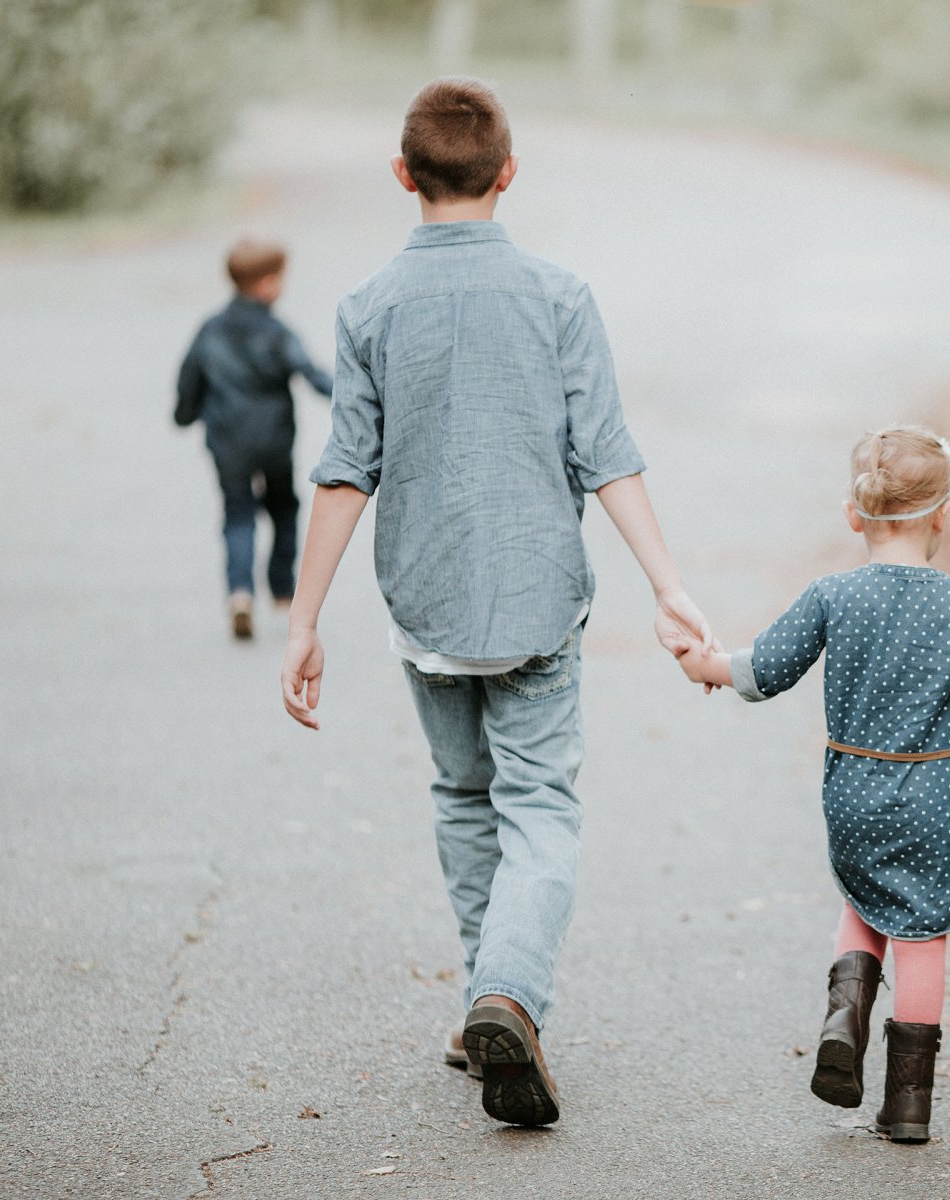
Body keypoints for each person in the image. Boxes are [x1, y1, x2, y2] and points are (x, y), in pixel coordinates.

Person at [277, 77, 714, 1128]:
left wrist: (303, 620)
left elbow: (345, 472)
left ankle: (487, 986)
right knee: (541, 806)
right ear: (508, 174)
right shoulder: (559, 297)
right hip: (534, 602)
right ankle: (505, 992)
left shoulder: (368, 306)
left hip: (425, 607)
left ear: (403, 176)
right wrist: (668, 585)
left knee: (465, 797)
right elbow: (606, 455)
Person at [674, 425, 950, 1144]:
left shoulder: (832, 595)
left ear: (855, 515)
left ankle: (844, 1017)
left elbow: (765, 670)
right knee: (924, 934)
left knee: (865, 898)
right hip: (930, 793)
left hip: (852, 790)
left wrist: (706, 665)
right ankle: (908, 1105)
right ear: (942, 515)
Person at [175, 238, 333, 638]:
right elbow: (311, 375)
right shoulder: (278, 333)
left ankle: (240, 594)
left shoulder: (210, 330)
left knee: (238, 512)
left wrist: (185, 414)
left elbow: (189, 379)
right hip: (274, 440)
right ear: (265, 284)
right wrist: (356, 393)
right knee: (283, 507)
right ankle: (281, 590)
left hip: (227, 439)